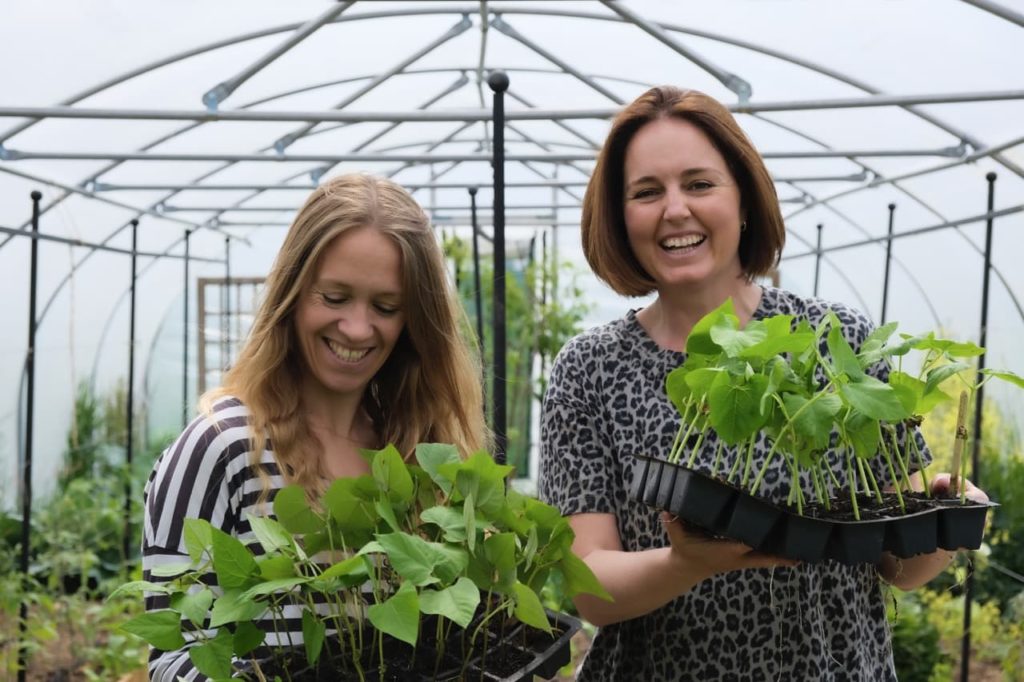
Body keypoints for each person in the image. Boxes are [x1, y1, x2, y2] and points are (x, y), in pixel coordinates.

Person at [538, 86, 988, 681]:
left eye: (699, 184)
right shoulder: (590, 370)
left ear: (744, 201)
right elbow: (588, 587)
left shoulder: (837, 340)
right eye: (647, 192)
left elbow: (895, 565)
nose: (675, 210)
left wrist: (947, 524)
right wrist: (685, 563)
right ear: (621, 217)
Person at [142, 173, 488, 681]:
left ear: (414, 321)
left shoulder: (418, 455)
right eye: (334, 297)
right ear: (294, 291)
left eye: (386, 307)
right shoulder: (223, 448)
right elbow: (173, 661)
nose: (356, 327)